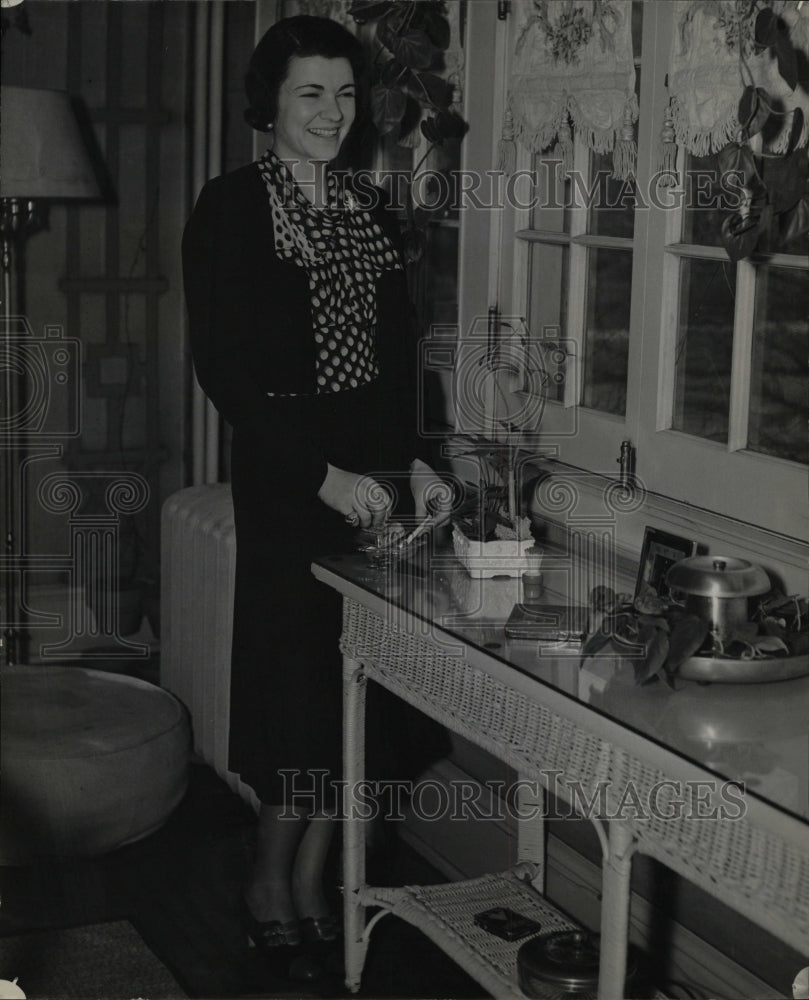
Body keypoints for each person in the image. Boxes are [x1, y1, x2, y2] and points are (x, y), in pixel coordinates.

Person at [182, 14, 449, 981]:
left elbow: (389, 365)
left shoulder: (367, 211)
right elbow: (227, 372)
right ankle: (269, 880)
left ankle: (318, 880)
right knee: (294, 693)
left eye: (343, 94)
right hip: (290, 473)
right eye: (310, 93)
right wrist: (320, 476)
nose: (331, 112)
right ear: (271, 103)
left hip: (368, 474)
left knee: (362, 692)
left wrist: (409, 464)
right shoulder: (230, 209)